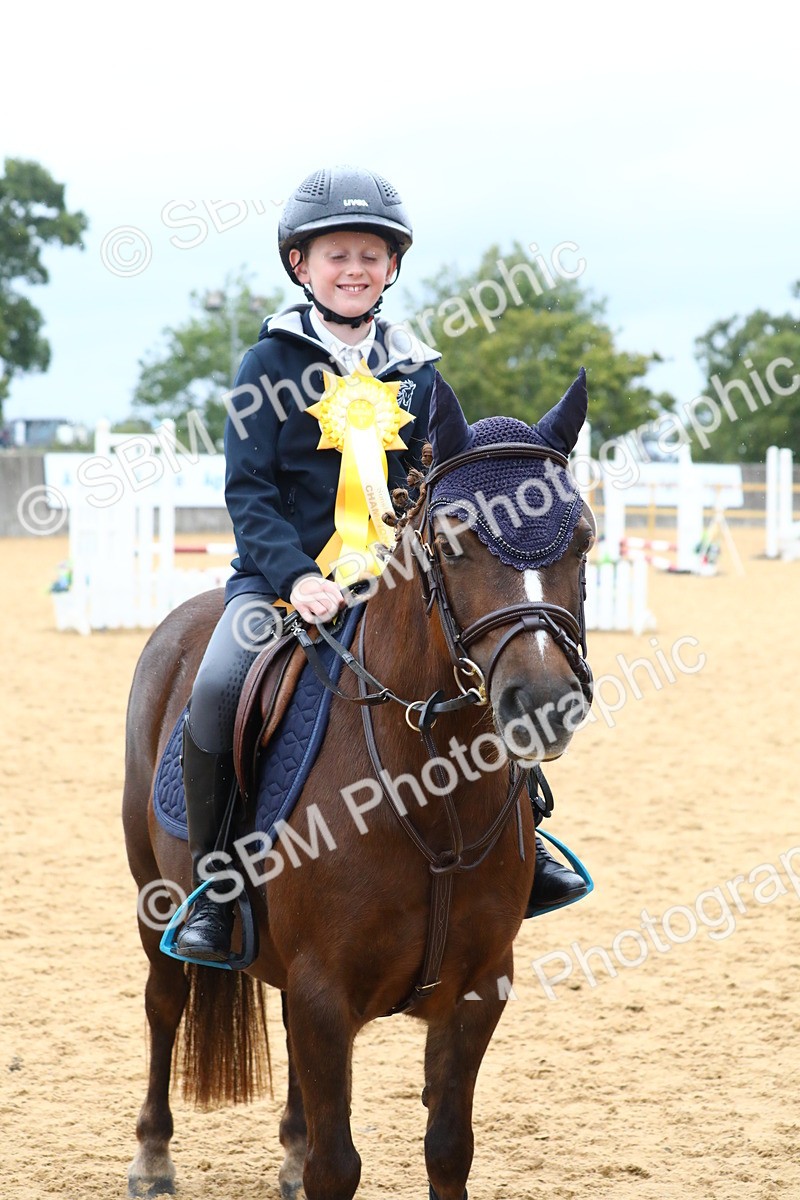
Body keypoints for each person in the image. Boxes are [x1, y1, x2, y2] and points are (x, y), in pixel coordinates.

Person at [175, 165, 586, 964]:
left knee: (481, 664)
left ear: (391, 267)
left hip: (396, 582)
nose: (355, 269)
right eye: (337, 255)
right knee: (219, 687)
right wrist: (297, 577)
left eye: (371, 255)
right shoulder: (268, 368)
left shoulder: (419, 372)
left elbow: (436, 482)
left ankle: (528, 840)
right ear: (301, 264)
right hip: (282, 583)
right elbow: (250, 490)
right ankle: (215, 889)